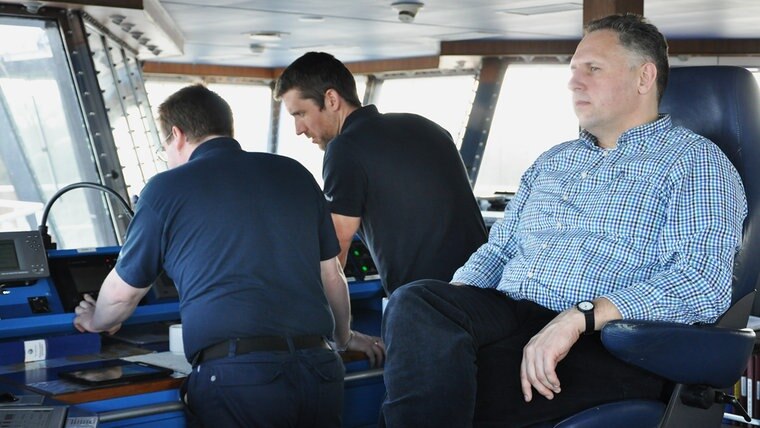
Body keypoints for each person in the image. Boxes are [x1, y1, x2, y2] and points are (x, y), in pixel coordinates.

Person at [380, 13, 747, 427]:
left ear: (644, 77)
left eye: (593, 69)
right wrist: (446, 310)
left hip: (607, 343)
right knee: (415, 303)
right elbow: (500, 250)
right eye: (573, 71)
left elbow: (702, 282)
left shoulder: (694, 162)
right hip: (511, 312)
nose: (574, 83)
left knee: (456, 385)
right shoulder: (552, 161)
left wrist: (579, 316)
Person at [72, 84, 385, 427]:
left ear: (176, 134)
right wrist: (343, 339)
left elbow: (122, 294)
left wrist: (97, 320)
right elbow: (331, 276)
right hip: (320, 370)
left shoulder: (165, 188)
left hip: (240, 379)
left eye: (165, 145)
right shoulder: (294, 173)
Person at [274, 52, 487, 295]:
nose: (298, 130)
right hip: (486, 295)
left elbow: (335, 252)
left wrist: (326, 326)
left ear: (331, 99)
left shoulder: (344, 148)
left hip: (430, 307)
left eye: (300, 114)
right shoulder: (427, 127)